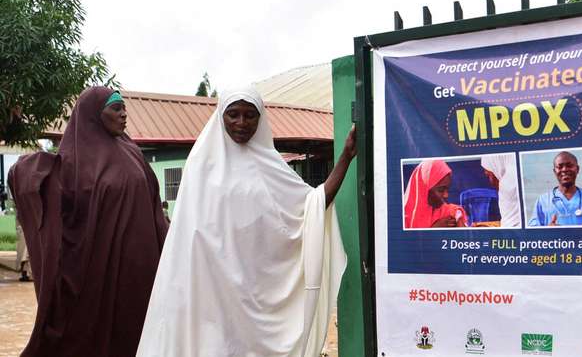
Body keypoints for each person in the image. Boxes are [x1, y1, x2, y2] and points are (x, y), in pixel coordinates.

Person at [137, 85, 356, 357]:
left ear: (261, 118)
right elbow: (187, 237)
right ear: (221, 116)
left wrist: (345, 157)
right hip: (210, 293)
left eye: (250, 115)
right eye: (233, 114)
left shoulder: (271, 166)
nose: (241, 123)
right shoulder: (201, 166)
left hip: (258, 292)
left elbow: (312, 206)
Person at [8, 87, 169, 357]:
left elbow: (153, 200)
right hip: (99, 268)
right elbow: (59, 204)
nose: (123, 115)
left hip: (141, 268)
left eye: (123, 108)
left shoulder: (132, 152)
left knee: (140, 330)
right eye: (115, 109)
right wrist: (28, 172)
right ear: (93, 115)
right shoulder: (74, 162)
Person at [528, 151, 582, 227]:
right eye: (560, 167)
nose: (564, 169)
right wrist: (548, 232)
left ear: (577, 169)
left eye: (569, 166)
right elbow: (531, 234)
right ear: (554, 171)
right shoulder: (543, 201)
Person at [404, 159, 467, 228]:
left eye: (447, 189)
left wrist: (458, 217)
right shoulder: (404, 218)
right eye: (441, 190)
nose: (446, 195)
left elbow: (455, 210)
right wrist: (433, 229)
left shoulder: (445, 212)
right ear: (424, 189)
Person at [480, 154, 521, 227]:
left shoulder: (508, 184)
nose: (491, 181)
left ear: (496, 166)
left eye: (489, 175)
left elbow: (510, 229)